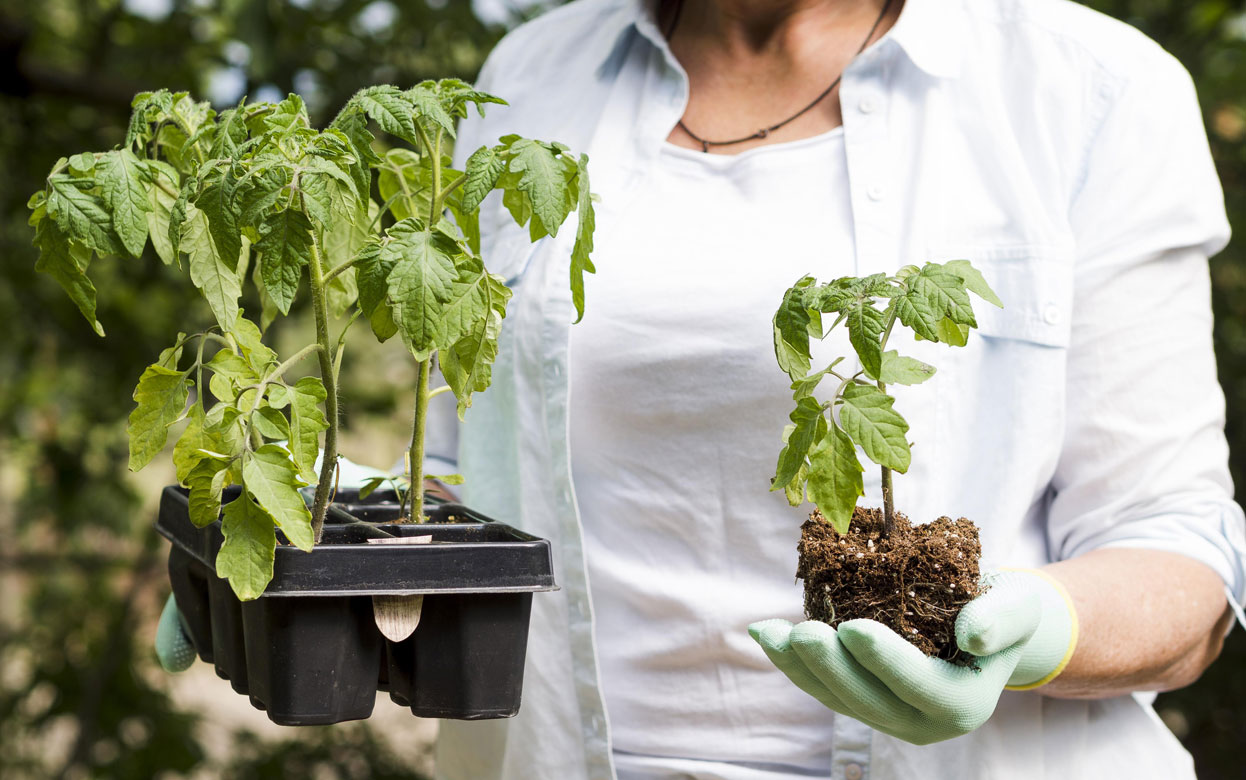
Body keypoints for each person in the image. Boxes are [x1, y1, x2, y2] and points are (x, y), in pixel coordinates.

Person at [157, 0, 1246, 778]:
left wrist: (1040, 628)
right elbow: (466, 465)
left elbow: (1181, 560)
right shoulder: (530, 76)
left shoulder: (1086, 90)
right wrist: (320, 538)